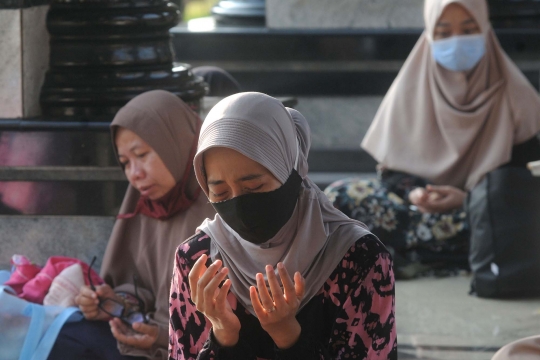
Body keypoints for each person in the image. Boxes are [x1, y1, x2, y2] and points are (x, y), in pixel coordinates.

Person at [168, 92, 397, 359]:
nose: (240, 207)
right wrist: (222, 335)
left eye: (255, 186)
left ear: (291, 169)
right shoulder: (198, 263)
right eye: (220, 194)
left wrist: (289, 336)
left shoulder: (358, 258)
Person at [324, 0, 540, 278]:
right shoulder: (411, 88)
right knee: (341, 198)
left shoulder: (513, 93)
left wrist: (468, 199)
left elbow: (526, 177)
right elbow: (390, 171)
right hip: (419, 211)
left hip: (482, 214)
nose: (457, 41)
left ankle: (403, 257)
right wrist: (416, 191)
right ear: (429, 35)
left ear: (486, 29)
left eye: (469, 28)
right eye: (444, 31)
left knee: (522, 218)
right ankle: (445, 257)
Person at [48, 90, 216, 360]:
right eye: (125, 162)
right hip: (142, 338)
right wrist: (117, 304)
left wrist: (162, 336)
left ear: (177, 142)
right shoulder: (147, 205)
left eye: (142, 154)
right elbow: (141, 286)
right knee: (57, 338)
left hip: (199, 350)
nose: (134, 174)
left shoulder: (218, 206)